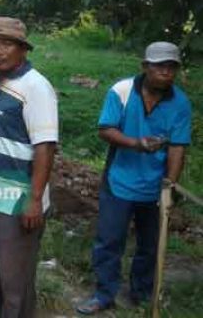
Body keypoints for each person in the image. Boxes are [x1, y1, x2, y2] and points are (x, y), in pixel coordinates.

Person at [76, 42, 191, 315]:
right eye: (159, 66)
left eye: (171, 67)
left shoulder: (180, 103)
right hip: (119, 181)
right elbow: (105, 129)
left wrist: (169, 185)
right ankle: (104, 294)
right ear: (145, 66)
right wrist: (136, 143)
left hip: (154, 187)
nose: (166, 72)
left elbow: (177, 147)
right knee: (109, 240)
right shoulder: (122, 91)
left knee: (150, 246)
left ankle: (141, 293)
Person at [0, 17, 58, 317]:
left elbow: (45, 146)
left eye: (5, 44)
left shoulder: (36, 87)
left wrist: (34, 200)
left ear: (22, 49)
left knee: (15, 281)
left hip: (18, 200)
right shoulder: (5, 81)